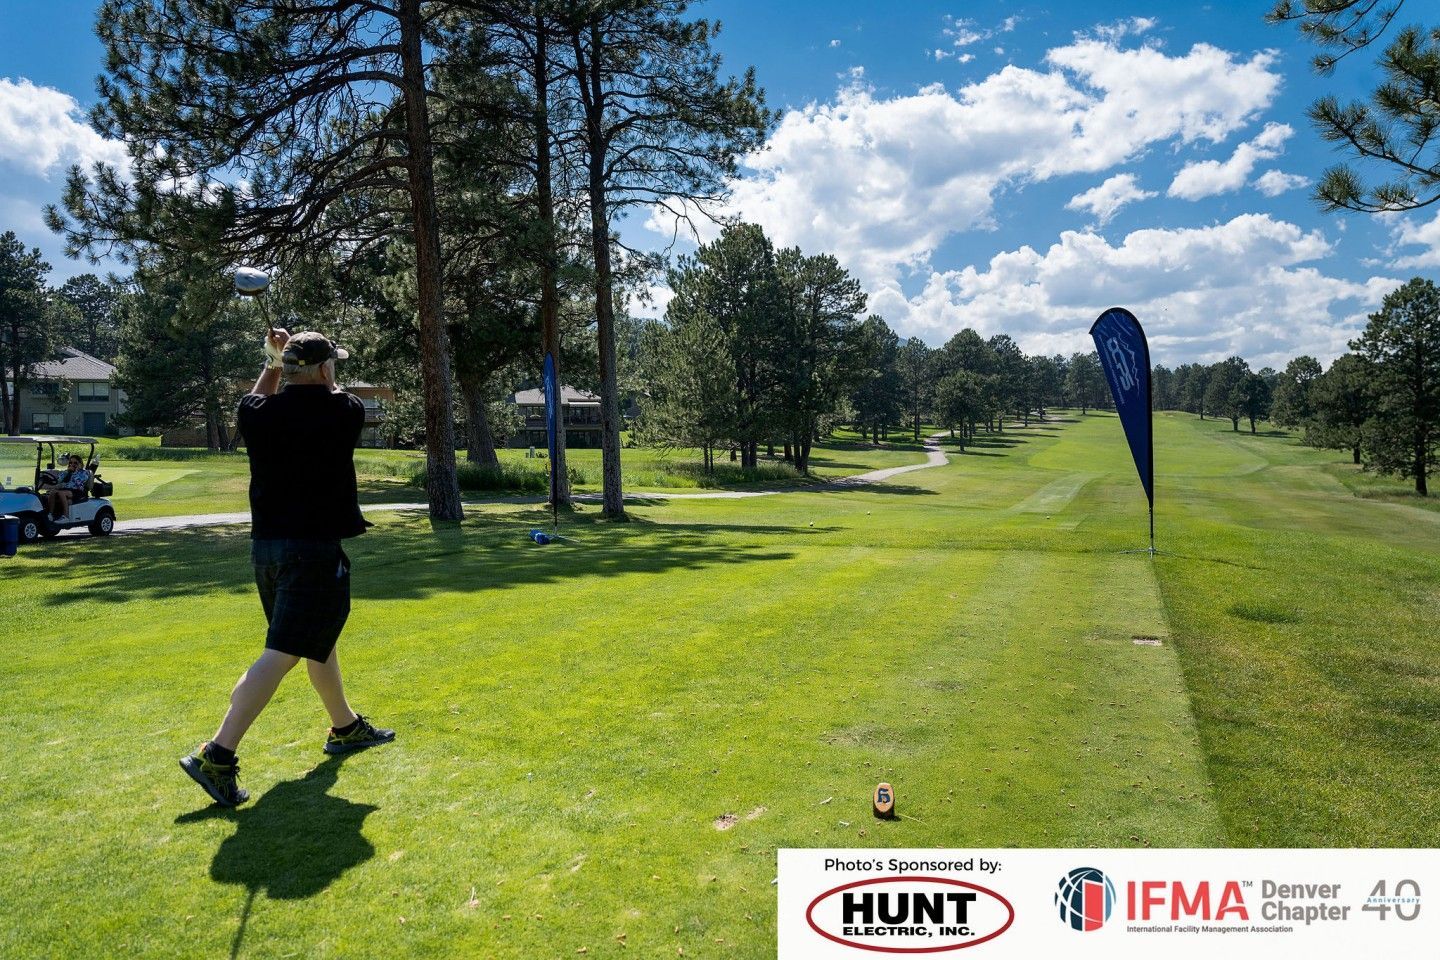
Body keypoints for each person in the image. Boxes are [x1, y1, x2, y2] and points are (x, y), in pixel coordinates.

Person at [180, 328, 394, 807]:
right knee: (284, 651)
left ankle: (345, 726)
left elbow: (261, 396)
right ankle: (217, 754)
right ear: (323, 369)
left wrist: (275, 360)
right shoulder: (345, 410)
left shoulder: (256, 412)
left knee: (314, 639)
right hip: (313, 551)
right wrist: (301, 362)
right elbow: (334, 392)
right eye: (331, 363)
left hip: (268, 552)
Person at [43, 454, 91, 520]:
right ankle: (50, 514)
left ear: (80, 463)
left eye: (75, 463)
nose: (72, 464)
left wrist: (75, 471)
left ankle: (66, 516)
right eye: (70, 462)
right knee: (53, 492)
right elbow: (59, 480)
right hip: (66, 490)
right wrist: (67, 472)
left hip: (77, 491)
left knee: (61, 493)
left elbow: (79, 481)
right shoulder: (66, 471)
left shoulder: (84, 472)